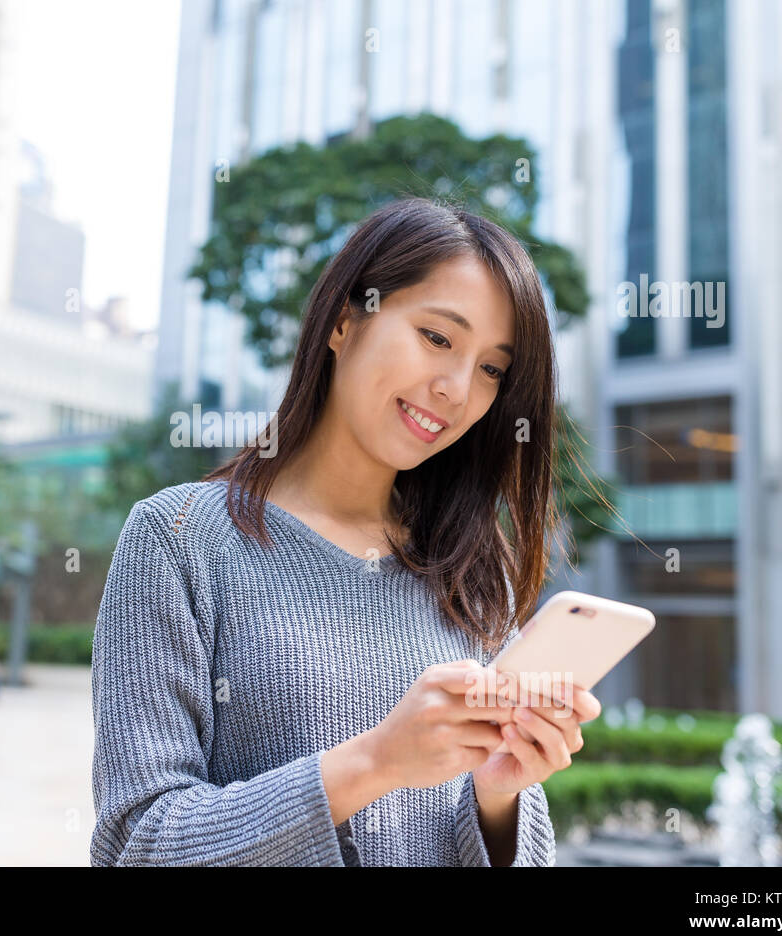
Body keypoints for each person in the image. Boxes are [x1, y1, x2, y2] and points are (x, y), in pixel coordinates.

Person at [90, 198, 604, 867]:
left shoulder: (474, 570)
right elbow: (138, 844)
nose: (455, 388)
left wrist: (498, 798)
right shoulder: (179, 539)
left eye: (491, 369)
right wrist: (373, 762)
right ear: (342, 320)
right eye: (438, 338)